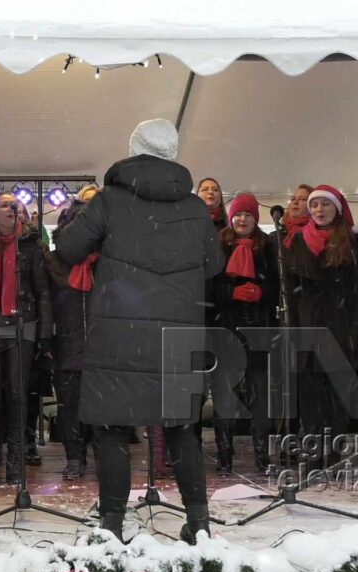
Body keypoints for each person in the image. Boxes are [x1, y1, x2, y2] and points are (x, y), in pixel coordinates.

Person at [56, 118, 224, 544]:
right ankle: (199, 524)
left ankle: (112, 523)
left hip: (121, 333)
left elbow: (69, 248)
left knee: (111, 427)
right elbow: (214, 265)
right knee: (182, 428)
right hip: (178, 334)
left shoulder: (110, 200)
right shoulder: (194, 207)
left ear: (134, 150)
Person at [283, 184, 358, 469]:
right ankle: (313, 452)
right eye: (315, 205)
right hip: (307, 326)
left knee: (336, 394)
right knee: (310, 394)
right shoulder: (297, 241)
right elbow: (290, 291)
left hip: (340, 327)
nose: (319, 210)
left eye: (325, 204)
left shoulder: (353, 241)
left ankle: (332, 452)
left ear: (337, 208)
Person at [0, 192, 52, 486]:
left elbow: (43, 290)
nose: (11, 208)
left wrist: (44, 333)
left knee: (17, 395)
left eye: (15, 205)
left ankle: (16, 460)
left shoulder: (31, 245)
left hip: (22, 325)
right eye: (4, 204)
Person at [207, 192, 279, 473]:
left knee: (260, 396)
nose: (242, 219)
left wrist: (262, 292)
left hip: (259, 331)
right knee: (225, 395)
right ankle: (224, 455)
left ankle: (261, 455)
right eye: (238, 214)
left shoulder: (267, 247)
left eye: (248, 214)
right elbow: (208, 286)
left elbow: (277, 285)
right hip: (225, 331)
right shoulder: (218, 245)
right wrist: (230, 292)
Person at [44, 184, 100, 480]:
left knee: (102, 406)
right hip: (66, 343)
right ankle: (74, 457)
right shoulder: (53, 262)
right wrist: (47, 340)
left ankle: (101, 454)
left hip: (103, 344)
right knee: (69, 406)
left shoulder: (107, 263)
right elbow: (46, 304)